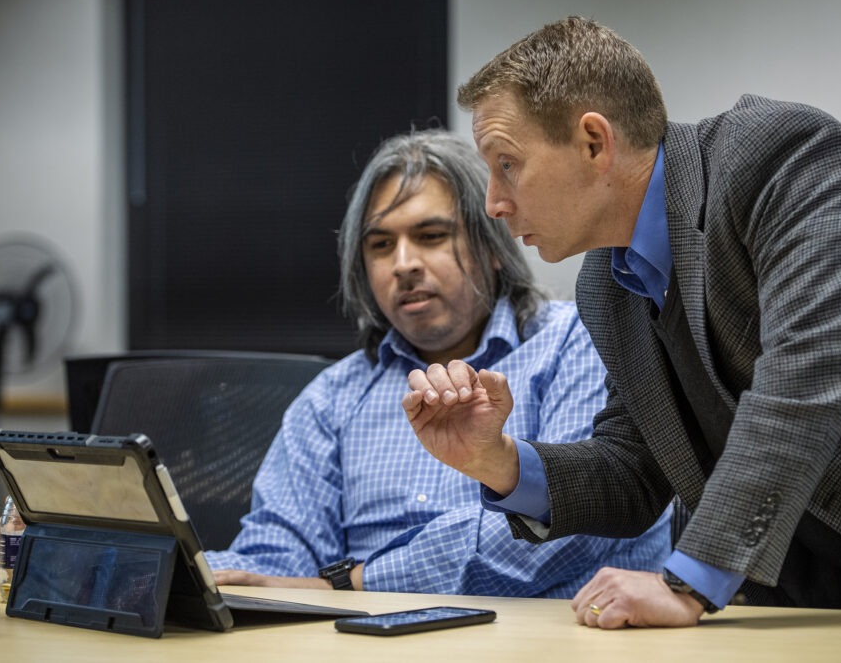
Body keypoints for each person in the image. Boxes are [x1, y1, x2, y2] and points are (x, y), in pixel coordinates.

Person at [402, 17, 841, 655]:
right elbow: (636, 470)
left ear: (594, 141)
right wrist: (497, 461)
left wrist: (689, 583)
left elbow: (804, 381)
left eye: (508, 165)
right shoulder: (608, 285)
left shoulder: (785, 157)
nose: (494, 203)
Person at [205, 128, 671, 598]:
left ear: (492, 247)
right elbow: (276, 558)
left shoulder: (580, 340)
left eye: (430, 236)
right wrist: (185, 568)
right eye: (381, 245)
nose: (403, 264)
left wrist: (351, 583)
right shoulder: (332, 398)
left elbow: (578, 524)